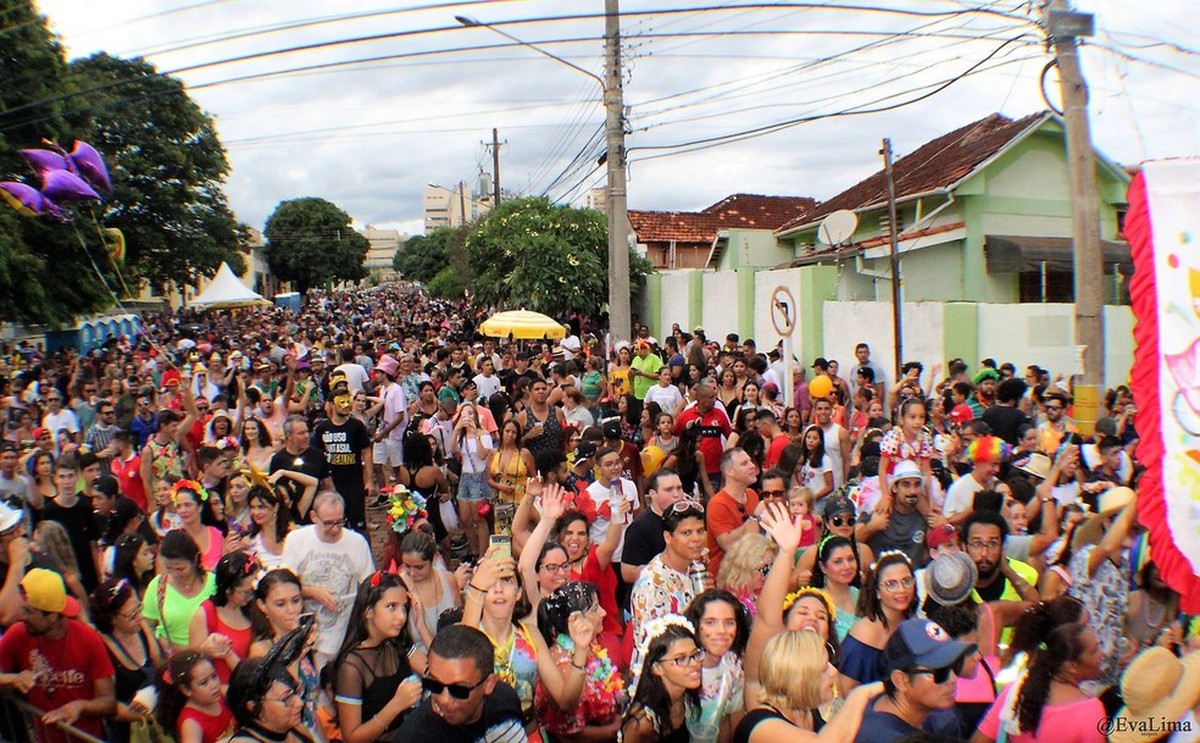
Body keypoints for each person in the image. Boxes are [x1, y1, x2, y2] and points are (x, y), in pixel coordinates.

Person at [463, 549, 594, 736]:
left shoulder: (530, 634)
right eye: (490, 583)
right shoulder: (466, 632)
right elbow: (464, 649)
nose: (498, 589)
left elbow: (566, 702)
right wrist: (476, 589)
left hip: (527, 735)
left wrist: (581, 650)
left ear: (518, 593)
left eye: (507, 581)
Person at [0, 568, 117, 743]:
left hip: (86, 738)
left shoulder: (88, 639)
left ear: (52, 616)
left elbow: (109, 703)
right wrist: (12, 679)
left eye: (28, 612)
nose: (20, 617)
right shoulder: (18, 634)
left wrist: (80, 706)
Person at [736, 631, 884, 743]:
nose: (834, 672)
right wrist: (859, 696)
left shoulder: (809, 713)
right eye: (824, 669)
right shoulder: (761, 725)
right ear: (799, 677)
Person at [281, 490, 375, 669]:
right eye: (328, 523)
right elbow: (284, 585)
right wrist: (312, 592)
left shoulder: (357, 542)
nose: (335, 529)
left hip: (345, 633)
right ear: (313, 517)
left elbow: (369, 585)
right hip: (308, 635)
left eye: (339, 522)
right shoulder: (296, 540)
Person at [974, 619, 1106, 742]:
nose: (1102, 654)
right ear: (1071, 666)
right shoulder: (1091, 711)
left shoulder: (1017, 690)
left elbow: (980, 739)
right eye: (1094, 651)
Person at [330, 571, 424, 743]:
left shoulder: (396, 644)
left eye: (404, 608)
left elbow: (434, 672)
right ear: (368, 611)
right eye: (391, 607)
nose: (401, 616)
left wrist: (421, 625)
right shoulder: (352, 666)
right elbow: (352, 737)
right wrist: (397, 704)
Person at [394, 624, 525, 740]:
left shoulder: (506, 699)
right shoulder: (414, 737)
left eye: (459, 690)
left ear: (489, 683)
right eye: (434, 684)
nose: (444, 699)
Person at [852, 618, 974, 743]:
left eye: (956, 665)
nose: (953, 679)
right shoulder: (883, 737)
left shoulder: (937, 716)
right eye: (940, 672)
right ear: (901, 681)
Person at [534, 582, 626, 740]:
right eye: (595, 609)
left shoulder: (593, 646)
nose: (603, 613)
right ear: (574, 619)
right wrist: (615, 730)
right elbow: (570, 732)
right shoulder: (561, 660)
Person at [630, 500, 709, 670]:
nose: (696, 539)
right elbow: (650, 647)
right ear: (668, 537)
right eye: (686, 533)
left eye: (700, 531)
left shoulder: (696, 567)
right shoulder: (653, 583)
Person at [90, 577, 166, 743]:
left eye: (139, 608)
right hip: (130, 733)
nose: (140, 617)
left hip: (161, 719)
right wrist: (142, 716)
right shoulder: (103, 650)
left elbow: (162, 666)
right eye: (132, 615)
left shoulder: (144, 630)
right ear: (112, 620)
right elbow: (108, 704)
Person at [839, 550, 917, 695]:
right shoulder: (865, 632)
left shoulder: (913, 622)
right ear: (877, 592)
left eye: (906, 581)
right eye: (891, 584)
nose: (901, 589)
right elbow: (846, 690)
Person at [684, 590, 749, 742]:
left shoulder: (732, 666)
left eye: (729, 623)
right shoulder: (680, 666)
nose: (721, 631)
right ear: (695, 625)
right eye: (710, 622)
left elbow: (728, 718)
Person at [311, 383, 375, 533]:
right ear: (332, 405)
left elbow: (366, 452)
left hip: (354, 482)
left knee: (359, 524)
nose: (346, 405)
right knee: (336, 522)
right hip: (332, 483)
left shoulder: (356, 426)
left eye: (348, 401)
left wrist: (369, 480)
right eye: (342, 402)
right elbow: (318, 456)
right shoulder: (322, 428)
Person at [189, 550, 256, 686]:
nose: (251, 596)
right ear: (228, 590)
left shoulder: (253, 608)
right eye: (245, 593)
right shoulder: (206, 613)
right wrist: (205, 651)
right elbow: (191, 661)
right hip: (221, 692)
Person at [144, 530, 217, 649]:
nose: (175, 574)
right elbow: (148, 626)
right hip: (173, 656)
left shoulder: (213, 584)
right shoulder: (157, 587)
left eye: (180, 569)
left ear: (194, 560)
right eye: (168, 569)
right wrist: (161, 645)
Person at [226, 657, 318, 743]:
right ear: (254, 707)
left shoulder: (297, 729)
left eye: (296, 693)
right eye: (286, 698)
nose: (300, 703)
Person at [621, 468, 687, 586]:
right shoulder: (641, 526)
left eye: (679, 488)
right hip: (651, 594)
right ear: (653, 494)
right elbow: (628, 573)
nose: (676, 495)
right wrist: (668, 568)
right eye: (669, 490)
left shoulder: (684, 519)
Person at [855, 461, 929, 565]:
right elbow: (853, 540)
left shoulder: (924, 514)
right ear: (894, 487)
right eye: (906, 485)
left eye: (917, 485)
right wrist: (872, 527)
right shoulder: (881, 509)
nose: (912, 491)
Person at [156, 650, 235, 743]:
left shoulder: (221, 693)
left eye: (214, 676)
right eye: (204, 683)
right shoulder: (191, 723)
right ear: (186, 690)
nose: (214, 685)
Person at [707, 448, 762, 577]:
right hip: (726, 578)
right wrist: (755, 518)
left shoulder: (752, 495)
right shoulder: (717, 504)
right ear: (730, 471)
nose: (752, 466)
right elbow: (728, 545)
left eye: (750, 461)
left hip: (752, 573)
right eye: (744, 463)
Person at [268, 415, 331, 524]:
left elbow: (329, 487)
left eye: (307, 432)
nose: (307, 436)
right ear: (289, 436)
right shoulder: (278, 460)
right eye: (301, 433)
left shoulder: (318, 456)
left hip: (316, 517)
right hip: (291, 518)